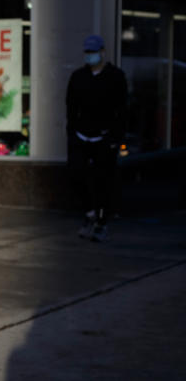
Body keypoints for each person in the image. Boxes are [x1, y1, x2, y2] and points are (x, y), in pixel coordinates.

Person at [66, 34, 127, 242]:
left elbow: (122, 108)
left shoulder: (115, 77)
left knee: (103, 180)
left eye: (93, 52)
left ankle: (101, 221)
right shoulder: (78, 77)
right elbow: (71, 107)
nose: (90, 56)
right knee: (76, 174)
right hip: (81, 135)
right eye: (87, 52)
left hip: (104, 137)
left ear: (102, 52)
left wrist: (115, 137)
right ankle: (89, 212)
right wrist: (72, 133)